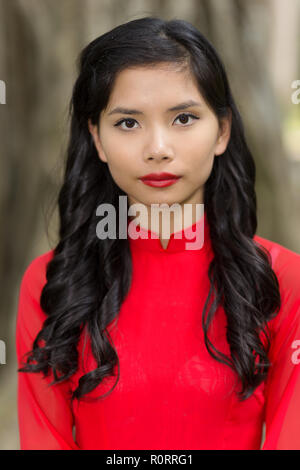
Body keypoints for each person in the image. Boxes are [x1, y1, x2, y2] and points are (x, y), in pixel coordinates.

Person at [15, 16, 300, 450]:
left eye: (183, 118)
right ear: (97, 138)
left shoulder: (282, 279)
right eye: (128, 123)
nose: (158, 148)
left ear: (221, 130)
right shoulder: (52, 283)